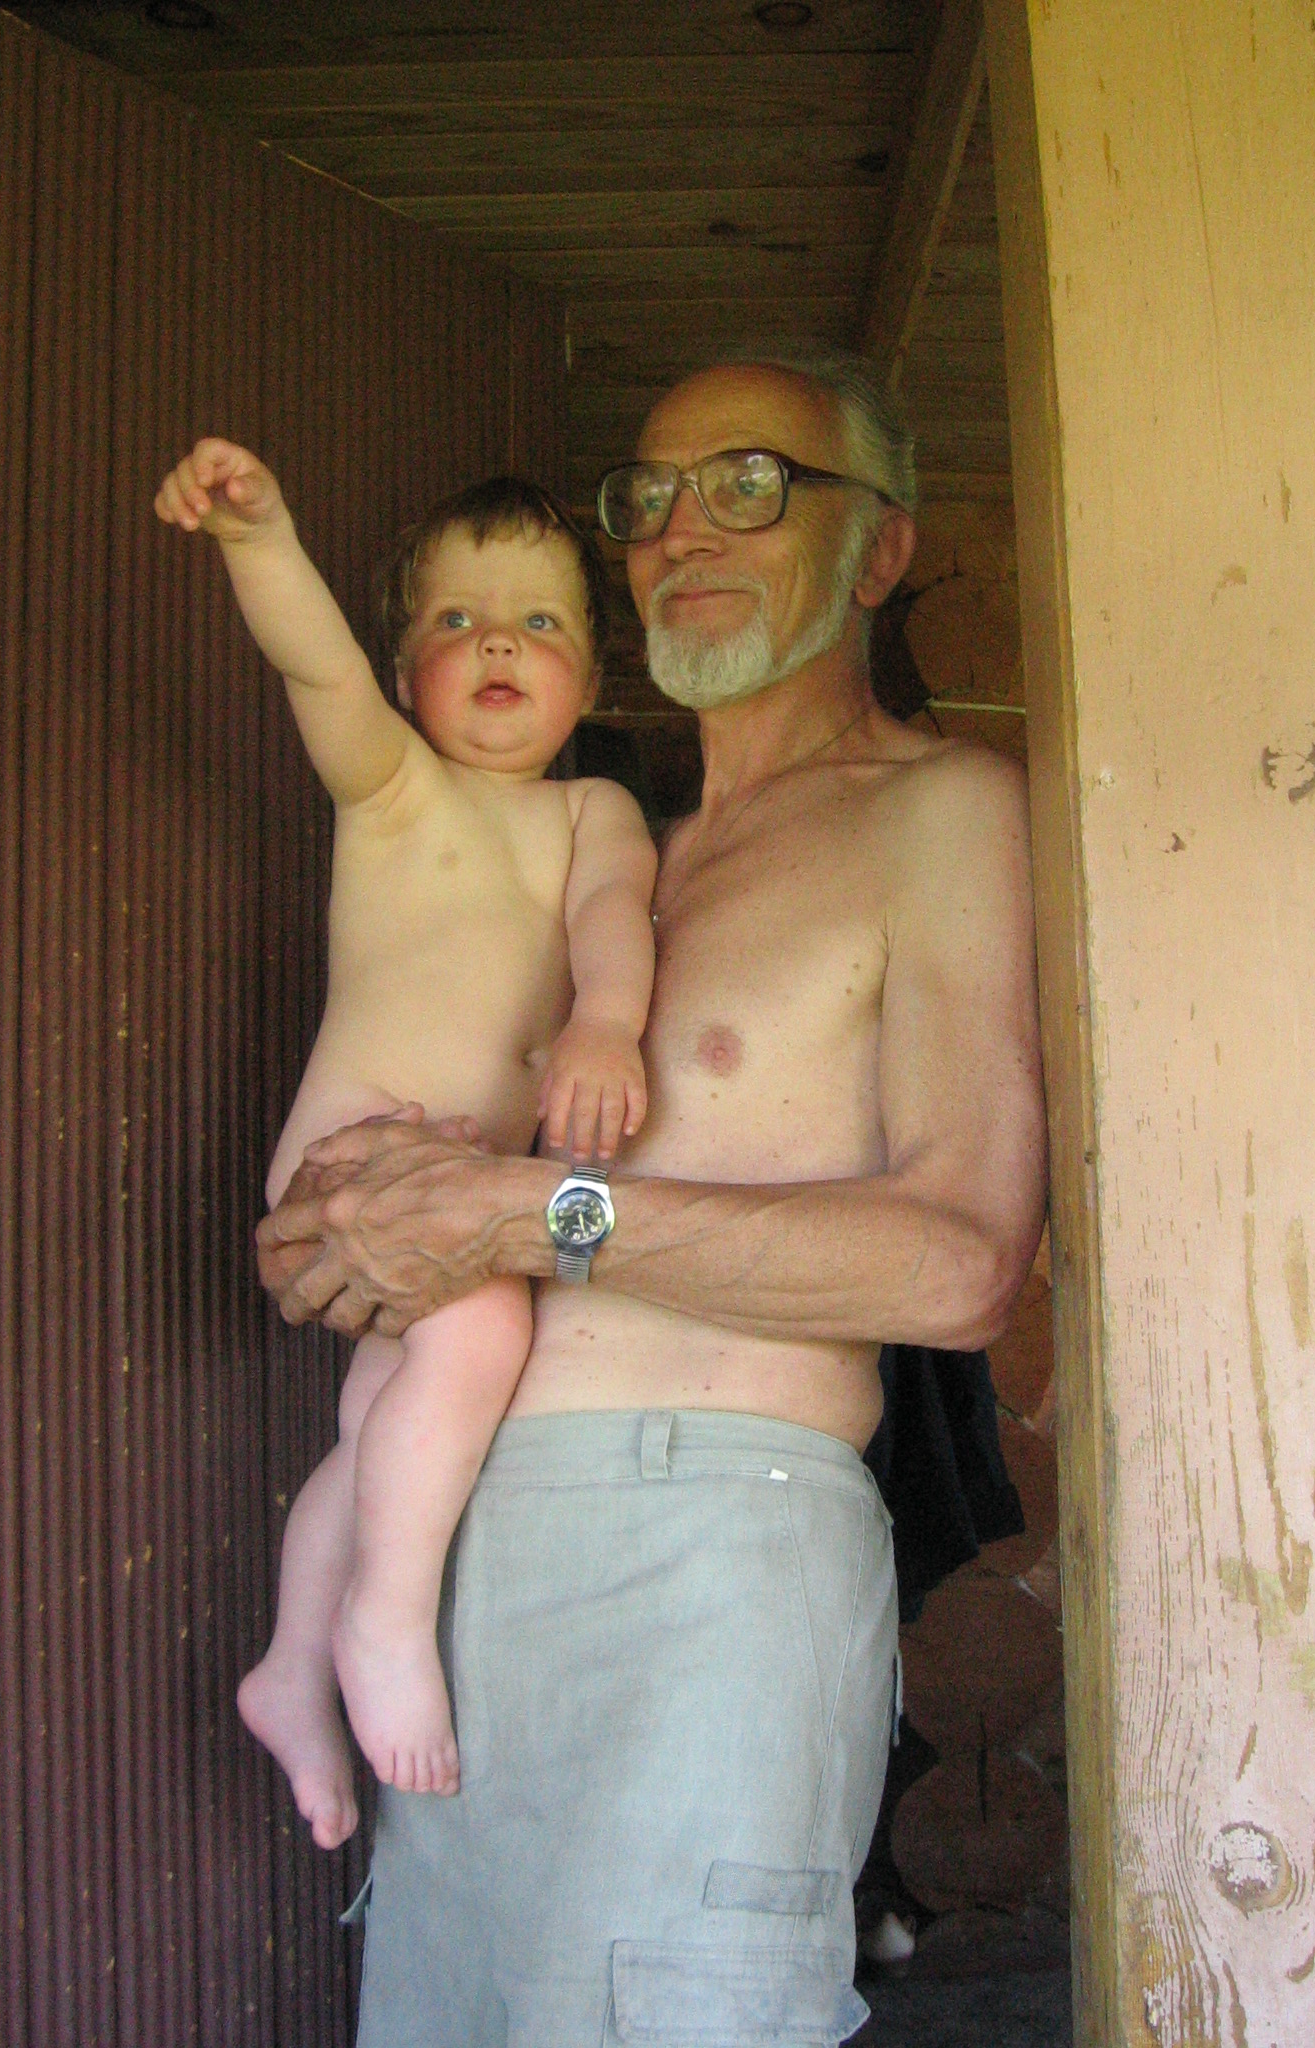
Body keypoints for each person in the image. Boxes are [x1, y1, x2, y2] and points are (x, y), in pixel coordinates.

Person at [258, 351, 1048, 2045]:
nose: (686, 529)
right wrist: (345, 1227)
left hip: (710, 1546)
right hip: (457, 1540)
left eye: (752, 484)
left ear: (879, 549)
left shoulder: (938, 812)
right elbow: (435, 1184)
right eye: (651, 497)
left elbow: (964, 1264)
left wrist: (527, 1214)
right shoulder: (594, 842)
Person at [154, 444, 657, 1844]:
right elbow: (312, 668)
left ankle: (286, 1673)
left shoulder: (594, 813)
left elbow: (614, 914)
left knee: (378, 1430)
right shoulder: (392, 790)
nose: (496, 642)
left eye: (538, 621)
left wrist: (606, 1023)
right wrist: (260, 535)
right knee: (484, 1327)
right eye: (455, 619)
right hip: (355, 1156)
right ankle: (384, 1620)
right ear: (403, 672)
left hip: (468, 1191)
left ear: (589, 681)